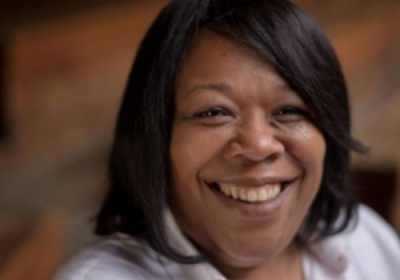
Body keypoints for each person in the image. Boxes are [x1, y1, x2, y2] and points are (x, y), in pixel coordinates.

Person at [52, 0, 400, 279]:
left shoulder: (363, 238)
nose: (260, 145)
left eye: (290, 110)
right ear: (155, 139)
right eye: (213, 112)